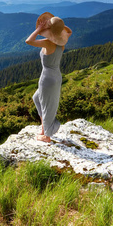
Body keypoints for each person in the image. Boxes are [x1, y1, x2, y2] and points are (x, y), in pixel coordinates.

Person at [25, 12, 72, 143]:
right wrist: (57, 26)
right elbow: (69, 31)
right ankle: (44, 127)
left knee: (47, 105)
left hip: (47, 78)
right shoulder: (61, 43)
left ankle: (47, 136)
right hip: (56, 75)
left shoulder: (48, 42)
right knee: (37, 98)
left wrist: (39, 29)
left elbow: (29, 41)